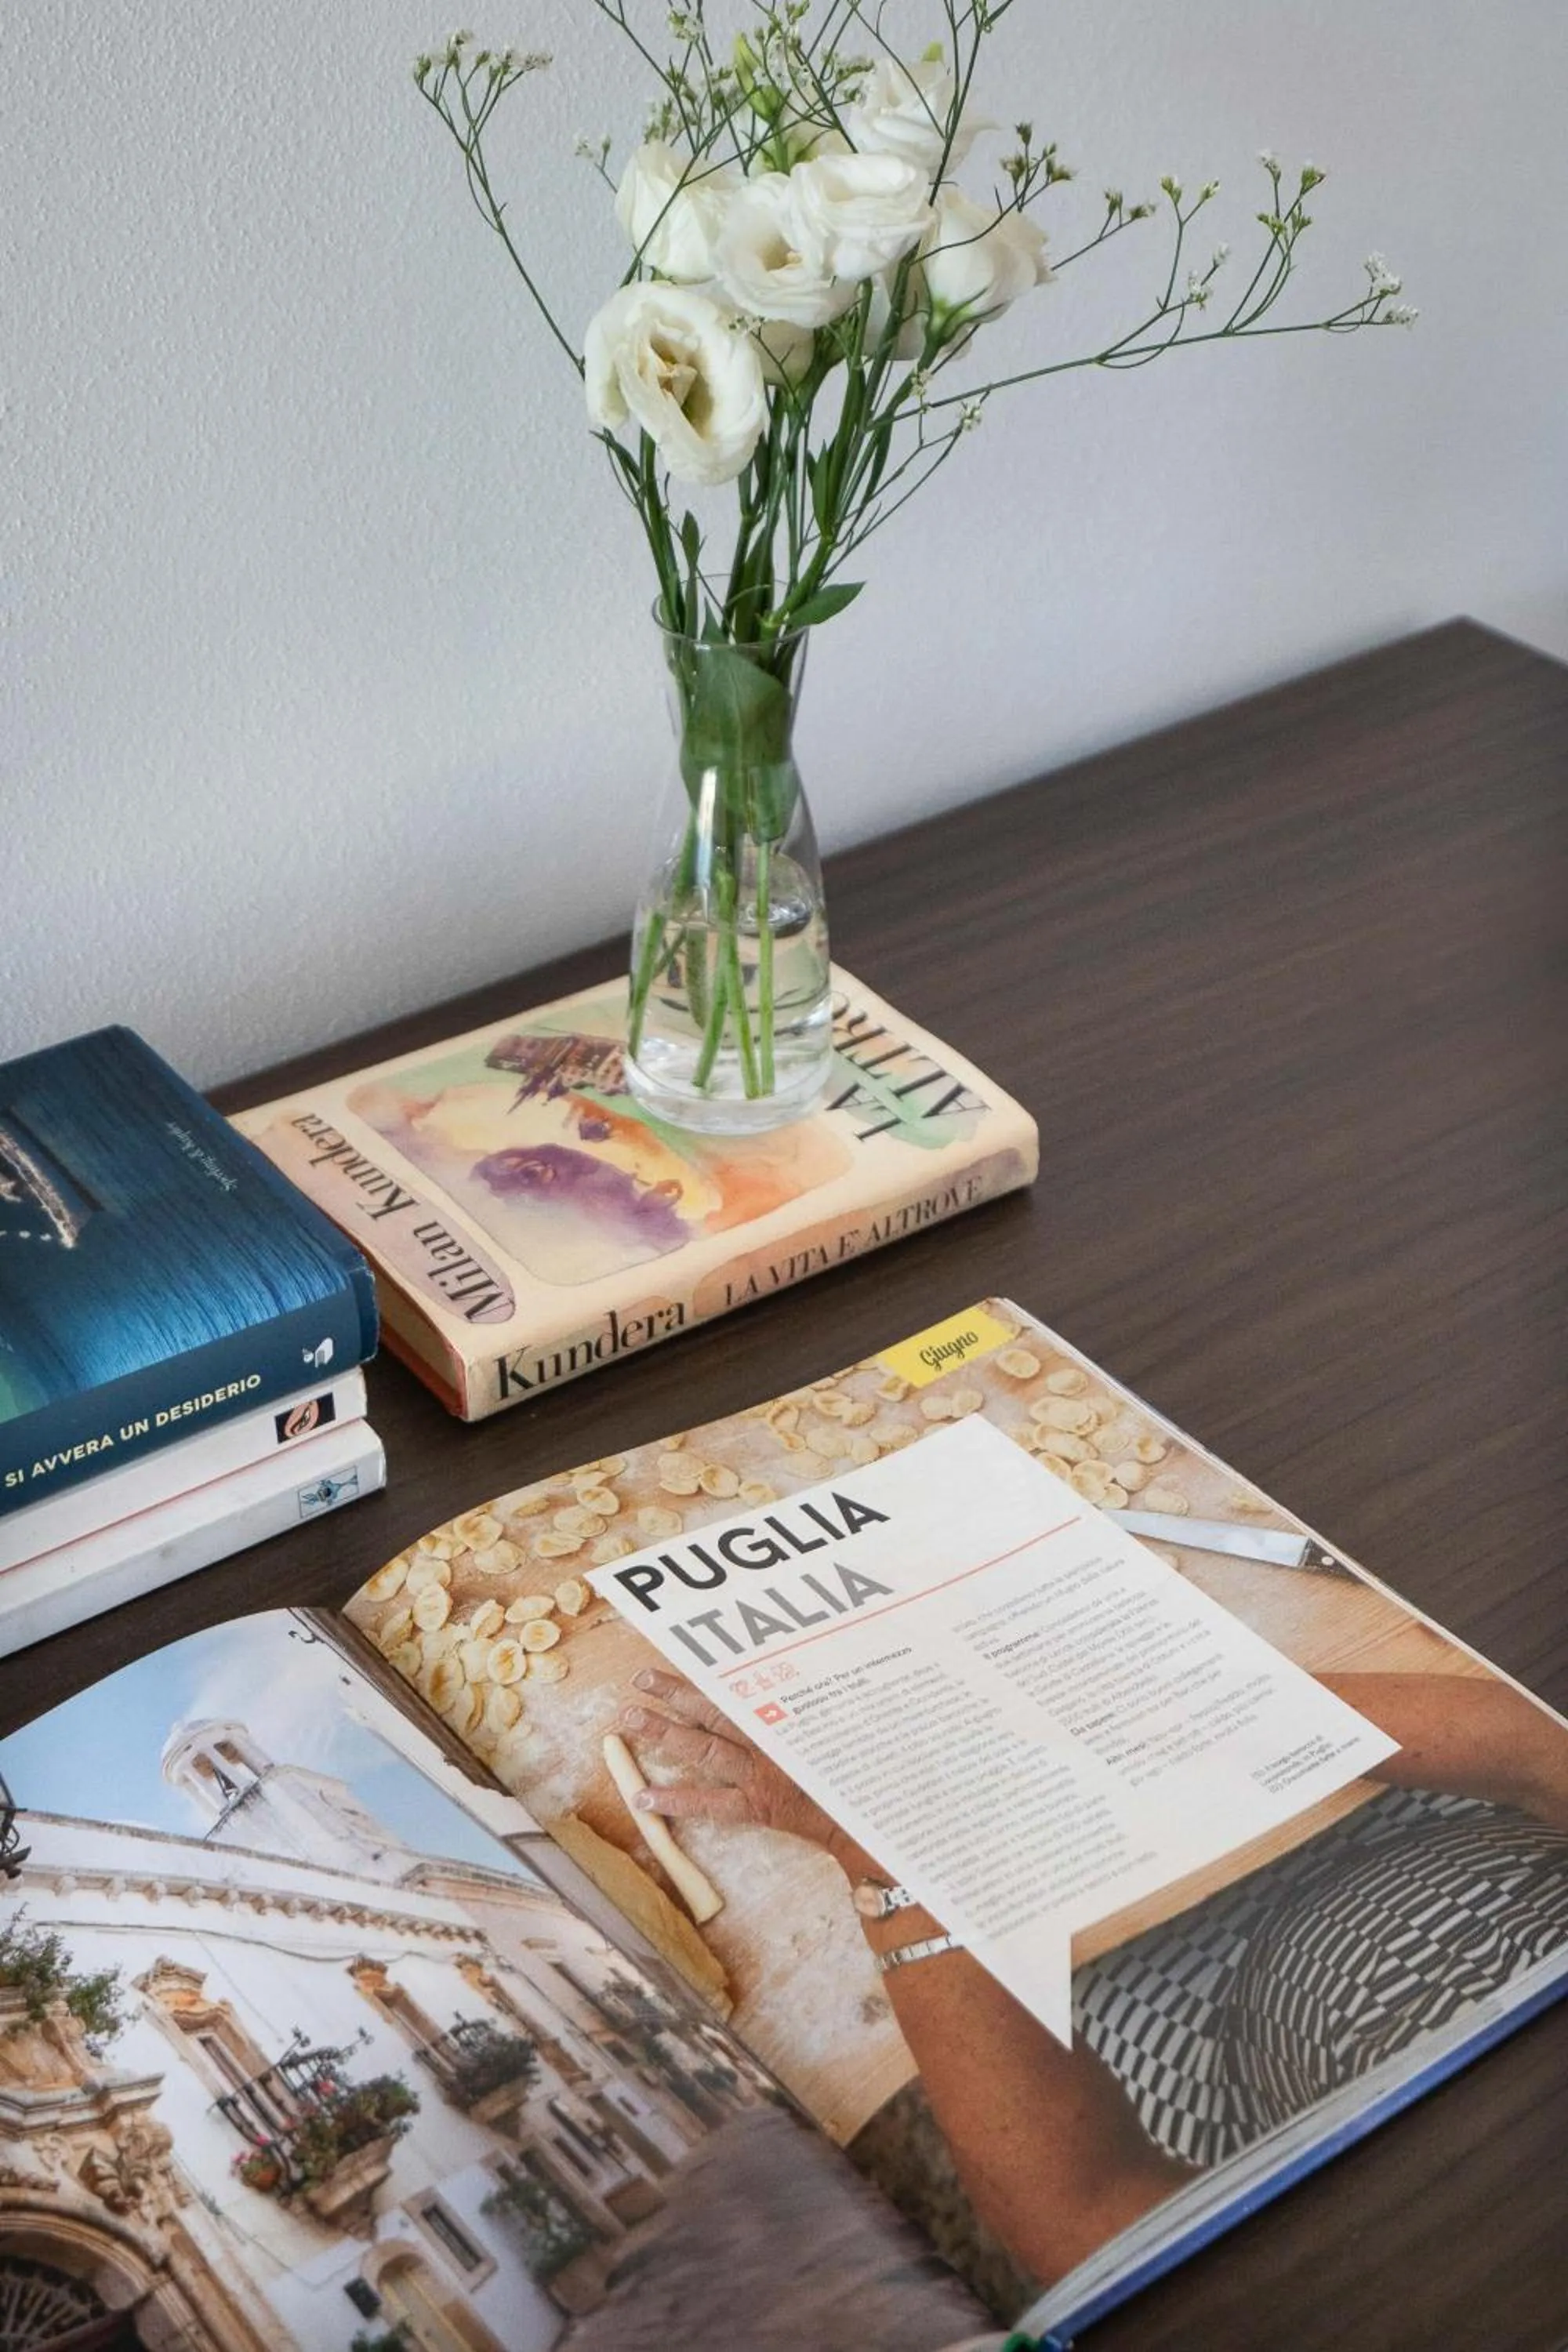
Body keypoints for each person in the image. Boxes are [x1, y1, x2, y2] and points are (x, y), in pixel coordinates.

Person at [615, 1667, 1568, 2288]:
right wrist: (1190, 1703)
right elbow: (1533, 1747)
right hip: (1435, 1808)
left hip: (1196, 2044)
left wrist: (893, 1858)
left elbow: (1085, 2228)